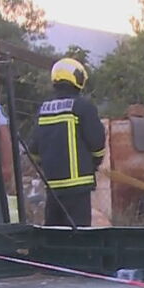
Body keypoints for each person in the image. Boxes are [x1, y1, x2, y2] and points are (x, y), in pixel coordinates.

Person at [29, 57, 106, 227]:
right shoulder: (83, 107)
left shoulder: (43, 109)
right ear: (78, 79)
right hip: (78, 187)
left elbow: (33, 149)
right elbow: (97, 143)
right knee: (78, 235)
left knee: (55, 234)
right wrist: (94, 163)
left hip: (53, 187)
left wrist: (45, 166)